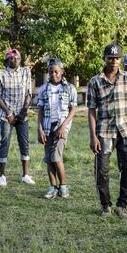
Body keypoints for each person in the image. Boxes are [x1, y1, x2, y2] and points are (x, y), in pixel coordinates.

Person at [87, 44, 127, 219]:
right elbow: (91, 110)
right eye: (110, 58)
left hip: (126, 130)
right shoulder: (95, 81)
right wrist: (93, 136)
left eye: (116, 58)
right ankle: (106, 206)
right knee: (102, 170)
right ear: (105, 59)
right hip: (104, 131)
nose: (113, 62)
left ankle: (122, 206)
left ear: (120, 60)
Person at [37, 58, 77, 199]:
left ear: (62, 72)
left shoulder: (69, 88)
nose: (53, 74)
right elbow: (40, 110)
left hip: (61, 127)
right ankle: (53, 187)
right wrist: (40, 129)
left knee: (56, 156)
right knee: (48, 159)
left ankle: (64, 186)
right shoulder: (43, 89)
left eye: (56, 72)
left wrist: (63, 126)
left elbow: (73, 109)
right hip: (47, 126)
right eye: (50, 72)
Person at [0, 48, 35, 186]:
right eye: (12, 58)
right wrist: (9, 113)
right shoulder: (0, 74)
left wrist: (24, 111)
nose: (15, 60)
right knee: (4, 143)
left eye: (18, 58)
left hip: (21, 114)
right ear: (7, 60)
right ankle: (2, 176)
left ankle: (25, 175)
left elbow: (29, 93)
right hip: (7, 115)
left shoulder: (26, 72)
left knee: (24, 143)